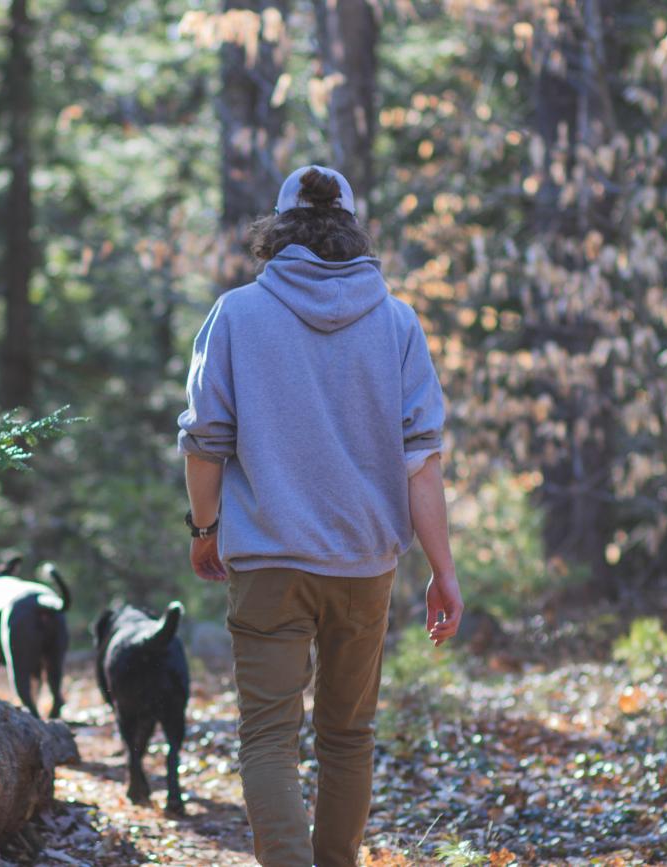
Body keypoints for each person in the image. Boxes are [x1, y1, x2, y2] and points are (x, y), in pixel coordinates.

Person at [177, 164, 463, 867]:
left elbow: (204, 439)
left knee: (269, 736)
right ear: (349, 232)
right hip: (365, 565)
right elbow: (420, 460)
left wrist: (206, 527)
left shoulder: (237, 314)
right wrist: (441, 570)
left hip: (270, 558)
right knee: (348, 736)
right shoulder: (397, 322)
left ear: (278, 234)